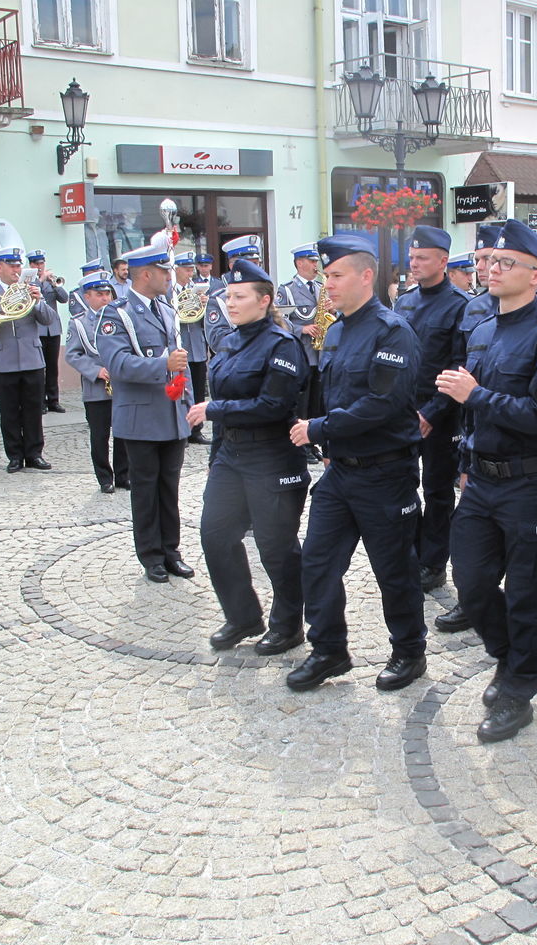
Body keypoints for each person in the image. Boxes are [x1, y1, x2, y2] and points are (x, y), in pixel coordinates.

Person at [439, 218, 537, 743]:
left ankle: (520, 686)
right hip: (481, 481)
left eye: (506, 264)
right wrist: (464, 459)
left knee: (525, 593)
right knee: (472, 587)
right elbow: (471, 414)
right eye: (488, 262)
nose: (492, 270)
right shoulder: (482, 330)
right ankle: (508, 658)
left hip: (530, 484)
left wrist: (474, 395)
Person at [285, 232, 428, 693]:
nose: (328, 284)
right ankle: (329, 650)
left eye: (336, 275)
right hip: (341, 472)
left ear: (366, 276)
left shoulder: (392, 331)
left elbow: (381, 404)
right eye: (325, 275)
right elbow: (335, 394)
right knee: (318, 562)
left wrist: (319, 429)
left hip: (386, 474)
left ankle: (409, 652)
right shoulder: (338, 329)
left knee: (394, 570)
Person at [188, 258, 310, 656]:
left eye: (240, 296)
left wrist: (213, 411)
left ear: (265, 301)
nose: (231, 303)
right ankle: (242, 616)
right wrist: (216, 456)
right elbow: (224, 396)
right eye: (228, 296)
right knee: (215, 535)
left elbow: (274, 406)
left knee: (276, 547)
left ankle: (288, 625)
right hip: (232, 455)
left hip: (271, 456)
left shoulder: (282, 344)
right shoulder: (229, 340)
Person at [98, 240, 196, 584]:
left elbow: (181, 365)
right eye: (165, 271)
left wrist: (189, 404)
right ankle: (151, 556)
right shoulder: (117, 313)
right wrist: (160, 364)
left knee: (169, 488)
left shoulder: (167, 310)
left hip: (171, 414)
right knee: (145, 489)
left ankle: (171, 551)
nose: (170, 277)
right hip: (141, 418)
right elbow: (117, 363)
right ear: (145, 274)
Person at [394, 225, 470, 594]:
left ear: (443, 261)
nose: (414, 264)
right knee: (403, 486)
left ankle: (433, 562)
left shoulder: (459, 306)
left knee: (438, 490)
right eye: (412, 257)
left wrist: (432, 411)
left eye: (422, 258)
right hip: (403, 411)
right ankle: (410, 551)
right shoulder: (404, 302)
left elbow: (460, 366)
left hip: (440, 415)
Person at [0, 243, 54, 473]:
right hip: (2, 360)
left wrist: (38, 300)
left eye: (18, 266)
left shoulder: (29, 289)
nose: (16, 270)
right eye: (11, 266)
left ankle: (34, 453)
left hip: (32, 358)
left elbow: (48, 320)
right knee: (9, 412)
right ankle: (14, 455)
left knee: (33, 409)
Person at [64, 269, 129, 494]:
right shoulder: (79, 323)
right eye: (99, 294)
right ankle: (104, 477)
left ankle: (123, 474)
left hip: (121, 385)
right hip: (96, 388)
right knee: (99, 435)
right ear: (87, 296)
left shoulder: (120, 317)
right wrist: (95, 371)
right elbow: (72, 355)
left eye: (107, 294)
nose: (105, 298)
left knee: (122, 432)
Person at [276, 243, 325, 463]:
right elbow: (279, 320)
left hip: (320, 353)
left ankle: (312, 441)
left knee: (316, 402)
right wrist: (301, 329)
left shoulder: (321, 287)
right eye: (312, 261)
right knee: (302, 402)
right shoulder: (286, 289)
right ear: (299, 263)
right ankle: (299, 444)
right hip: (302, 353)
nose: (316, 265)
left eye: (316, 261)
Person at [169, 251, 211, 445]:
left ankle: (197, 430)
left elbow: (206, 320)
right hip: (180, 346)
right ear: (175, 269)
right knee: (183, 389)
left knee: (199, 391)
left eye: (190, 269)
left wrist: (205, 305)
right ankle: (183, 429)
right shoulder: (169, 291)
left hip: (197, 346)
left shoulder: (196, 289)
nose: (189, 273)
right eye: (186, 269)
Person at [26, 249, 69, 414]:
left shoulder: (51, 279)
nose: (39, 266)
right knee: (40, 368)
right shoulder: (29, 280)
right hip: (38, 329)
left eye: (41, 263)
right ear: (30, 265)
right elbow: (32, 298)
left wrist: (54, 284)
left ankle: (53, 400)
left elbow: (64, 298)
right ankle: (40, 401)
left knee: (53, 367)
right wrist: (40, 280)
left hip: (53, 329)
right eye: (36, 263)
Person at [206, 236, 262, 358]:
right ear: (233, 266)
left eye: (257, 264)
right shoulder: (218, 300)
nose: (256, 268)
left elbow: (286, 325)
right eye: (251, 264)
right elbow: (217, 341)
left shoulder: (264, 294)